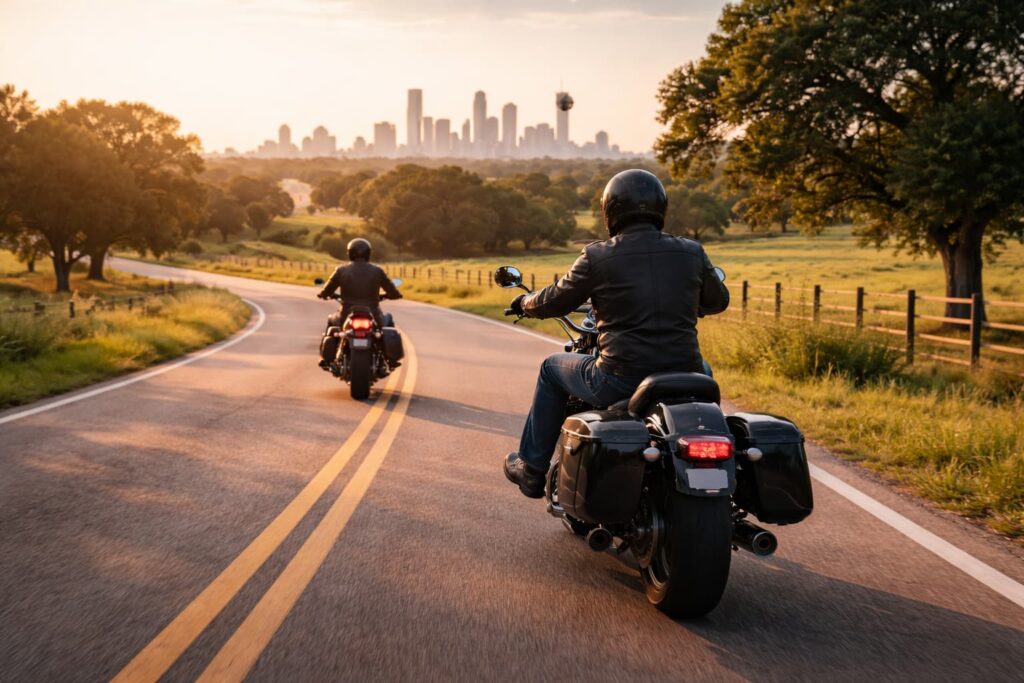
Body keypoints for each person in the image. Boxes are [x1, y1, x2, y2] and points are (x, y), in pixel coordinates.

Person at [503, 169, 730, 498]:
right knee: (705, 376)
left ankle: (532, 469)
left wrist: (525, 302)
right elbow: (718, 301)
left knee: (551, 368)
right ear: (660, 208)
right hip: (687, 371)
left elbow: (554, 300)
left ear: (610, 211)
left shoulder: (597, 256)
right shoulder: (691, 252)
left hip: (619, 377)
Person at [317, 237, 402, 368]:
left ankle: (327, 360)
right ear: (368, 253)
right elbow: (392, 290)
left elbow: (327, 290)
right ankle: (390, 359)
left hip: (346, 314)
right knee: (388, 320)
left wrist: (323, 294)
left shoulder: (341, 270)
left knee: (331, 321)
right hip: (373, 313)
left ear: (350, 253)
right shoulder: (377, 271)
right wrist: (394, 295)